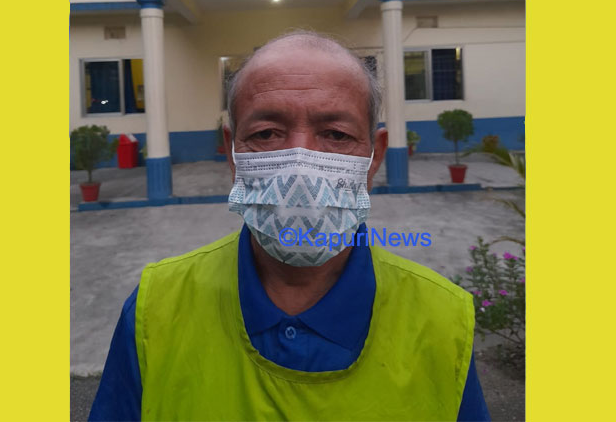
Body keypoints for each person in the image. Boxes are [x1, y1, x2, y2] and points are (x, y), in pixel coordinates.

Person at [89, 31, 490, 421]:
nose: (301, 164)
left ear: (374, 157)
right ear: (233, 154)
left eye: (336, 134)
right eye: (266, 133)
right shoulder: (156, 309)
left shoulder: (442, 319)